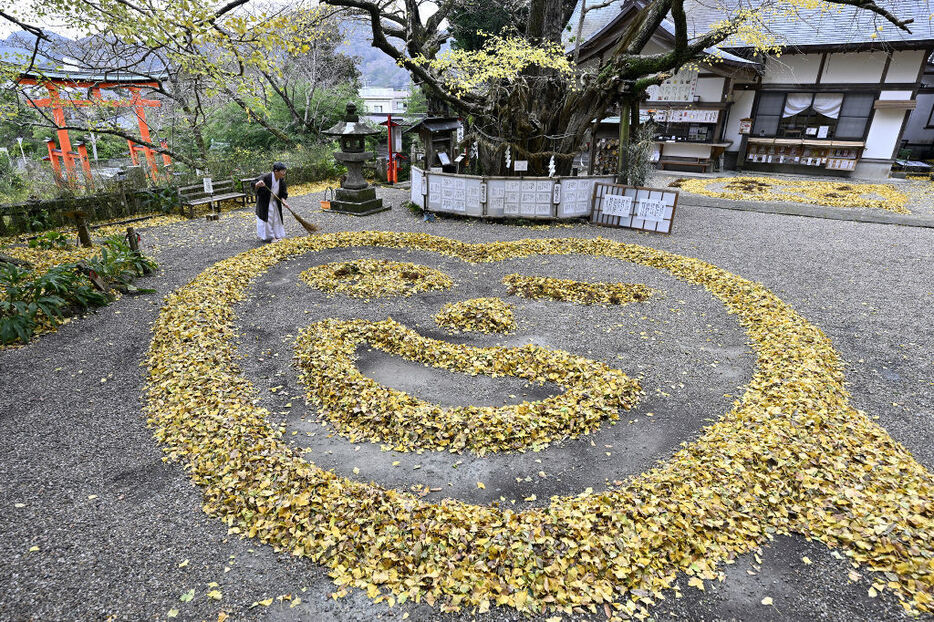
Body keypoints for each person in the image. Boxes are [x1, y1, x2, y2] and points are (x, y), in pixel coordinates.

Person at [253, 162, 289, 242]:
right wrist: (257, 184)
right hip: (265, 202)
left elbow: (283, 192)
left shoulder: (281, 180)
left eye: (284, 171)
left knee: (276, 218)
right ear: (276, 171)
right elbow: (254, 183)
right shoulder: (266, 177)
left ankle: (276, 235)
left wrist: (283, 200)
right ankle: (271, 237)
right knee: (268, 219)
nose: (284, 173)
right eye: (282, 171)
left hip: (275, 202)